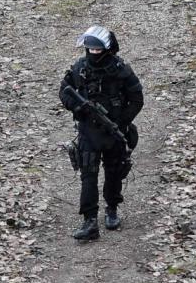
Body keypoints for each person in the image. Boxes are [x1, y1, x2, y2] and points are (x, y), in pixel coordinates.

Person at [59, 25, 142, 241]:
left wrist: (121, 121)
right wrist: (78, 108)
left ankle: (112, 209)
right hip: (88, 132)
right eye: (90, 49)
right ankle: (89, 221)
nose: (93, 53)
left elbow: (137, 99)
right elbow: (64, 90)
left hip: (114, 132)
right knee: (88, 175)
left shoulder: (121, 69)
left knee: (114, 172)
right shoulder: (80, 68)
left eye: (97, 50)